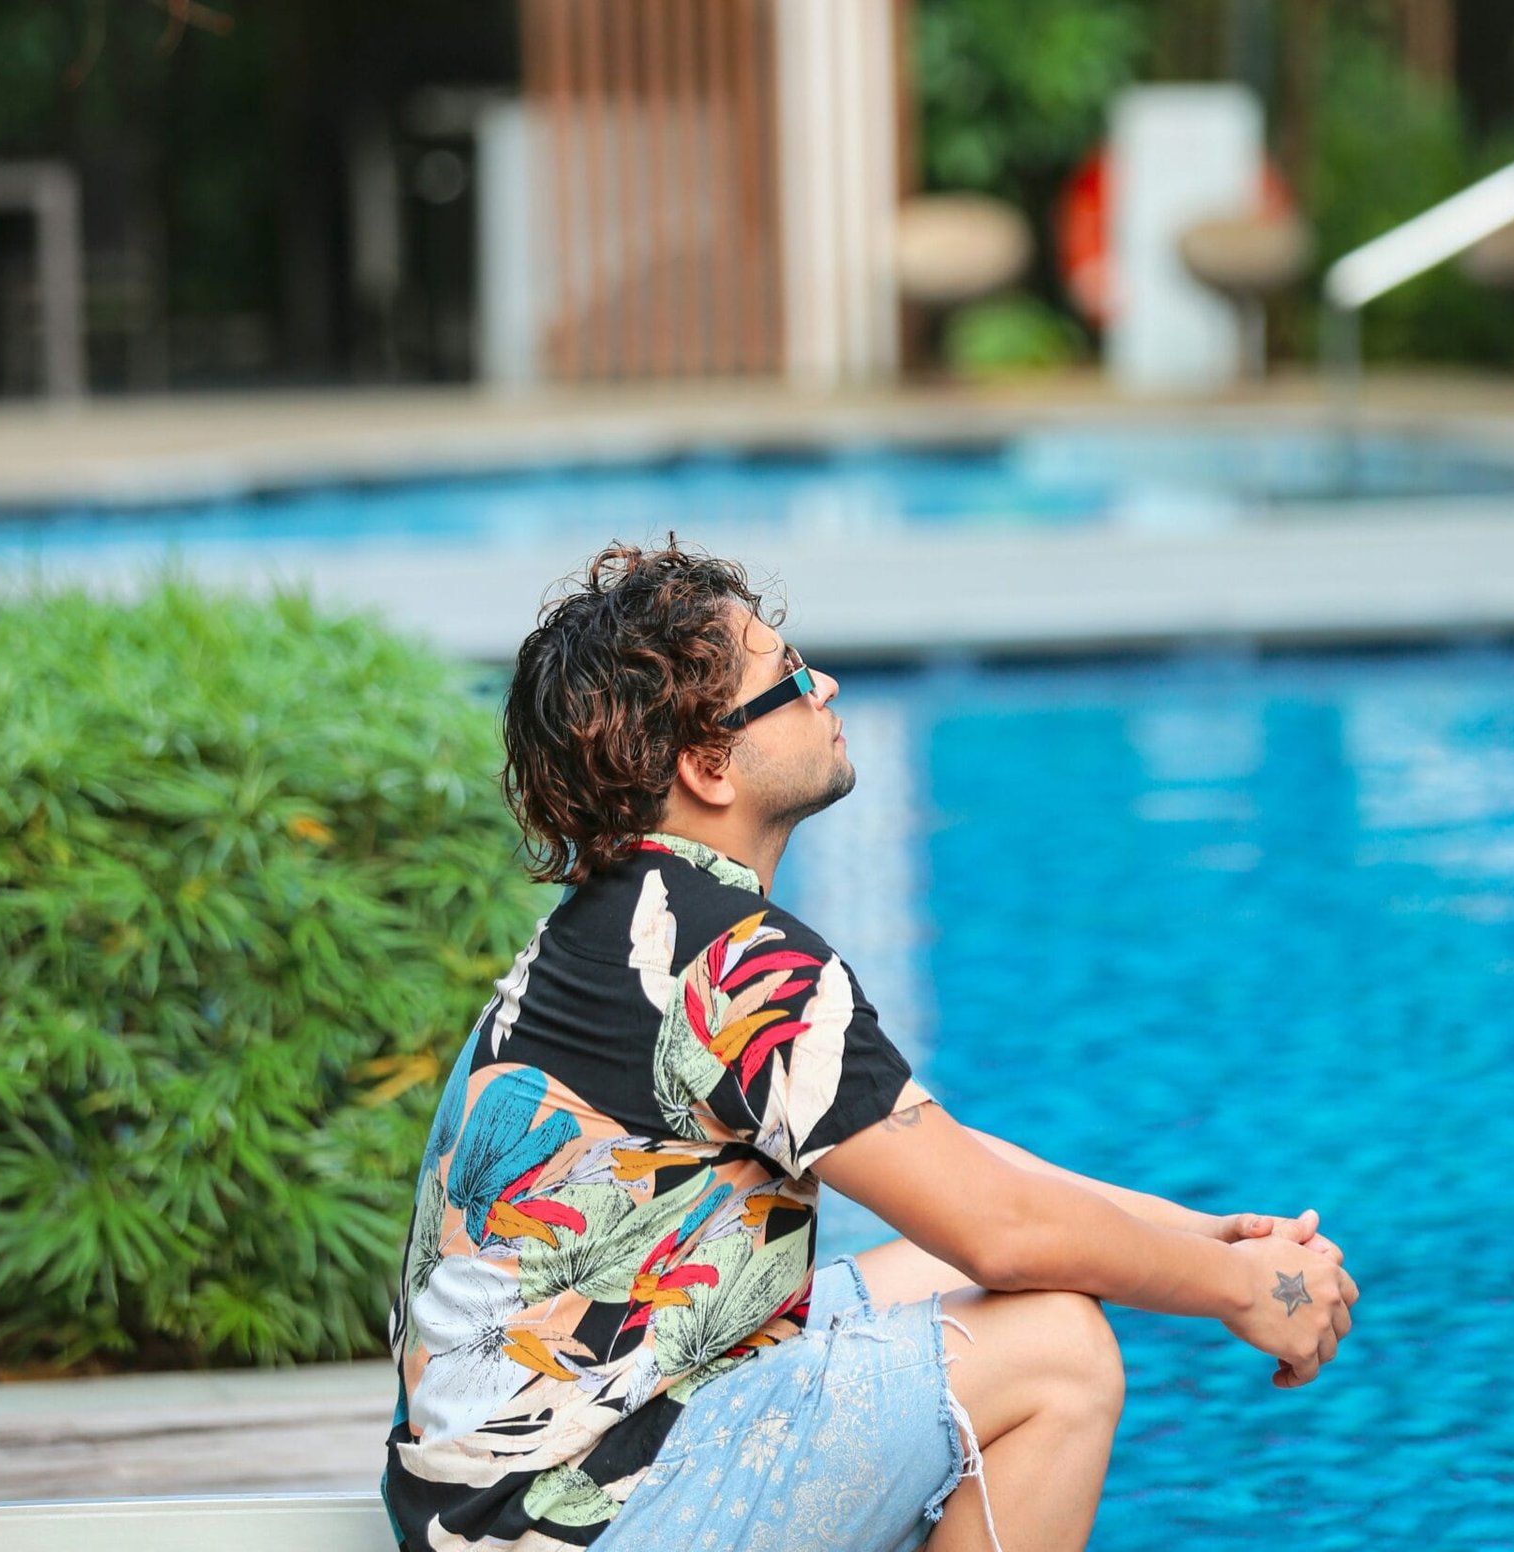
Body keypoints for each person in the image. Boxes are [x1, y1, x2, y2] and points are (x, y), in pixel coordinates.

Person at [382, 537, 1358, 1552]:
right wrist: (1248, 1294)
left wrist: (1215, 1240)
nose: (826, 687)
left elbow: (957, 1170)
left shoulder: (632, 926)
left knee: (946, 1272)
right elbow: (1002, 1231)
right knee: (1057, 1352)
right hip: (564, 1522)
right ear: (708, 766)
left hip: (509, 1493)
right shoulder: (733, 964)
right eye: (790, 676)